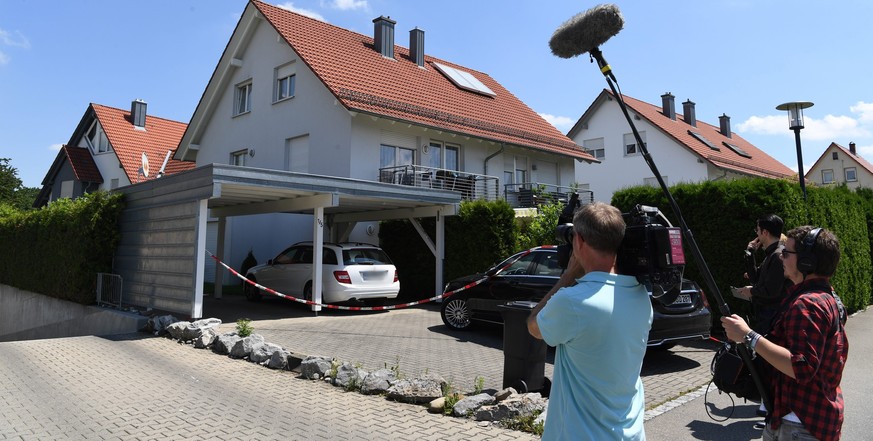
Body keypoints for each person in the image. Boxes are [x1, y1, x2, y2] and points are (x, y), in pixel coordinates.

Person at [527, 202, 652, 440]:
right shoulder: (640, 296)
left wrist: (568, 276)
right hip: (630, 434)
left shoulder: (572, 302)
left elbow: (533, 325)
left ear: (579, 240)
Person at [722, 226, 849, 441]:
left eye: (787, 252)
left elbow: (802, 367)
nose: (781, 256)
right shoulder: (829, 296)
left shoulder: (807, 304)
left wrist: (748, 335)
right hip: (812, 418)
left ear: (807, 262)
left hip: (798, 425)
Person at [737, 214, 791, 334]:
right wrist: (749, 253)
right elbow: (755, 279)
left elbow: (771, 291)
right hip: (767, 314)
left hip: (772, 316)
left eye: (757, 230)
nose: (757, 234)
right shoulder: (772, 254)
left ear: (765, 232)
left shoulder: (777, 256)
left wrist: (751, 291)